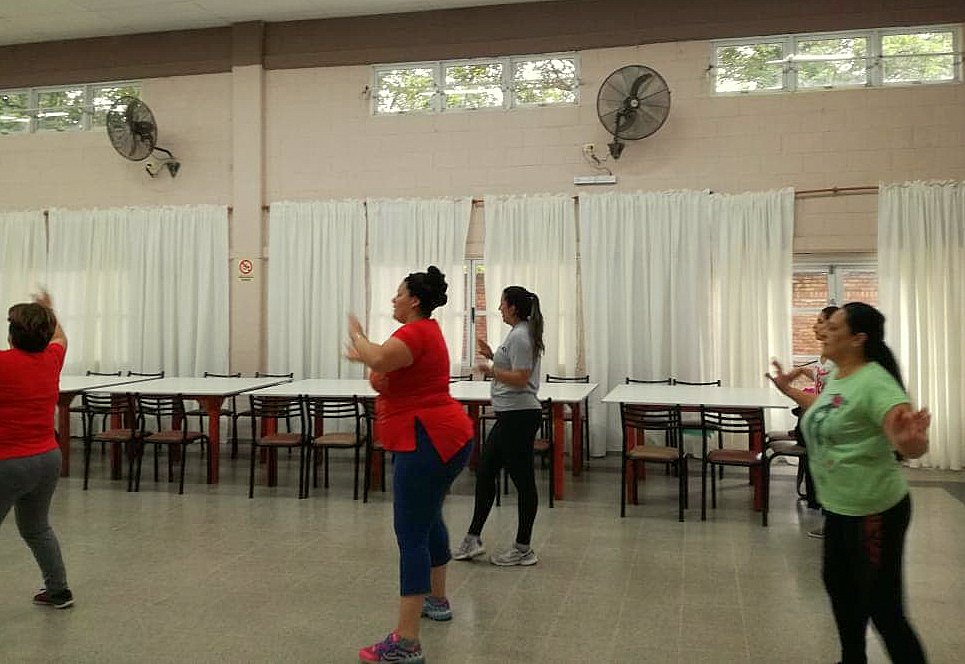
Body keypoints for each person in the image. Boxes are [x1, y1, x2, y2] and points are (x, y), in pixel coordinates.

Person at [768, 302, 928, 664]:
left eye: (834, 327)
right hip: (841, 507)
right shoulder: (842, 375)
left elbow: (908, 441)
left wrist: (910, 439)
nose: (823, 331)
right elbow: (828, 410)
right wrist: (787, 391)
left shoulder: (875, 382)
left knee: (884, 610)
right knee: (841, 589)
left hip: (874, 510)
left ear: (858, 339)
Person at [346, 266, 473, 664]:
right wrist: (372, 359)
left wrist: (358, 337)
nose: (393, 300)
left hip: (427, 441)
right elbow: (383, 370)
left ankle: (406, 642)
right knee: (429, 518)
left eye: (398, 294)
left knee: (411, 533)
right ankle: (436, 600)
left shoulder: (415, 332)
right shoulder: (424, 333)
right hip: (444, 436)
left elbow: (379, 359)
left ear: (414, 300)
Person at [452, 285, 544, 567]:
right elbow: (515, 368)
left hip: (519, 416)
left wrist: (491, 370)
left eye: (502, 304)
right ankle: (473, 538)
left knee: (523, 481)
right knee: (485, 472)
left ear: (513, 307)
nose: (499, 308)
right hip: (510, 415)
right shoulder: (518, 333)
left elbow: (521, 377)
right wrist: (493, 355)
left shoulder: (520, 335)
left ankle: (523, 548)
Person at [0, 290, 73, 609]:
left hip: (8, 462)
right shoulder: (52, 359)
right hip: (47, 459)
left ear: (12, 335)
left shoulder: (3, 364)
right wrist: (48, 309)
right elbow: (61, 337)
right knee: (36, 526)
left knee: (34, 527)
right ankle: (58, 591)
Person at [785, 304, 839, 534]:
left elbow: (828, 394)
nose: (815, 326)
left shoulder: (840, 357)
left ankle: (831, 517)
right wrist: (799, 372)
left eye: (820, 321)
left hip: (828, 422)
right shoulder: (827, 354)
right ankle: (822, 508)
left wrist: (787, 388)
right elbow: (820, 373)